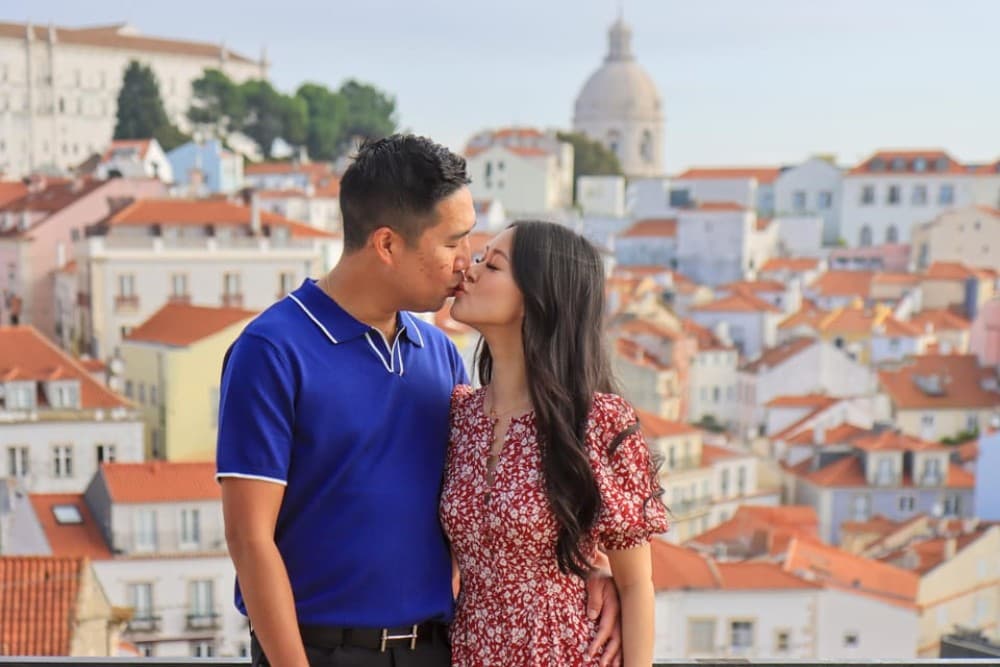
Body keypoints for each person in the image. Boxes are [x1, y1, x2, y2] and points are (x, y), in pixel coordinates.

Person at [216, 135, 623, 667]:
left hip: (438, 651)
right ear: (387, 245)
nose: (466, 261)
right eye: (453, 241)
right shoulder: (270, 351)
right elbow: (249, 538)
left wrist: (594, 567)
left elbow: (495, 500)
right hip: (320, 652)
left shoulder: (439, 353)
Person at [442, 221, 669, 666]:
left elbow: (636, 584)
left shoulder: (597, 422)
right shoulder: (460, 416)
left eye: (492, 265)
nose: (469, 271)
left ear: (536, 298)